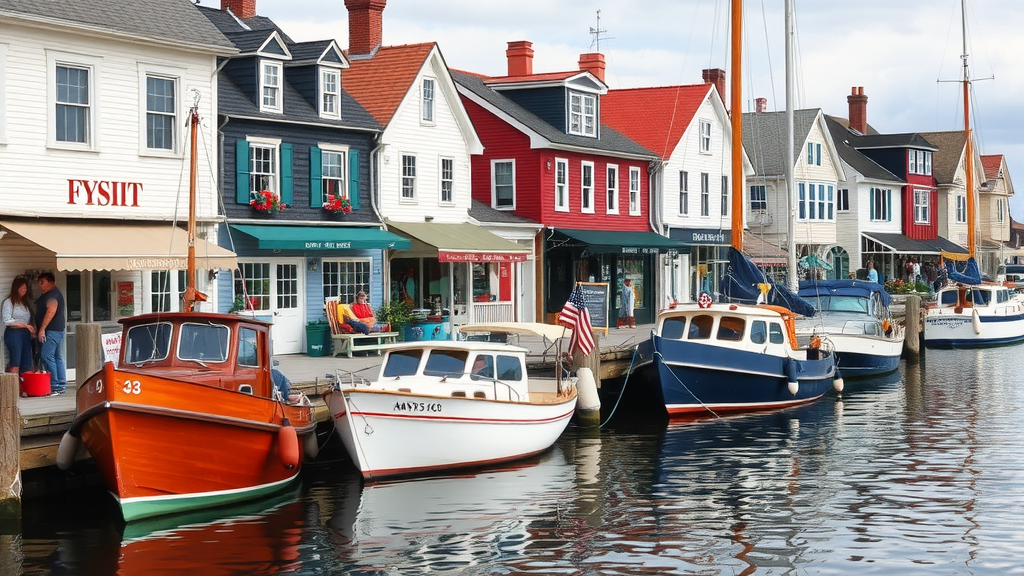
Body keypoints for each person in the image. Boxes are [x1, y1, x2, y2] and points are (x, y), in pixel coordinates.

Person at [35, 272, 67, 395]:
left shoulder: (53, 295)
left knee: (46, 356)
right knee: (57, 357)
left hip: (52, 331)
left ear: (50, 282)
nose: (39, 285)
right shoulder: (51, 294)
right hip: (57, 330)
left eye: (42, 282)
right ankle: (61, 384)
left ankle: (55, 386)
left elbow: (51, 310)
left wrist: (42, 329)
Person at [2, 276, 36, 374]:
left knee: (27, 360)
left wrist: (31, 329)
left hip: (25, 334)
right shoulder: (9, 302)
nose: (24, 290)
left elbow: (28, 319)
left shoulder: (24, 303)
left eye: (25, 288)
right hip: (13, 334)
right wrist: (26, 326)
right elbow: (7, 320)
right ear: (16, 288)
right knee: (15, 360)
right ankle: (14, 385)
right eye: (22, 288)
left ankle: (25, 385)